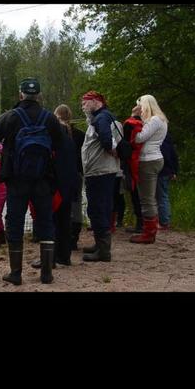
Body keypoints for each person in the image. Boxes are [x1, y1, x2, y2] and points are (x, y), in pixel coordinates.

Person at [0, 77, 66, 285]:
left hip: (16, 180)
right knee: (46, 222)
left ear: (20, 94)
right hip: (43, 179)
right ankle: (47, 274)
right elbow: (61, 143)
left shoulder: (13, 116)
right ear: (38, 95)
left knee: (15, 223)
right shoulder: (49, 118)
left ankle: (16, 273)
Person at [32, 103, 77, 269]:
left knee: (50, 221)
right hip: (68, 183)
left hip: (55, 185)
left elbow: (50, 162)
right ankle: (64, 257)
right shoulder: (69, 137)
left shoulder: (54, 139)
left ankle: (49, 259)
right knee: (64, 221)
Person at [80, 90, 121, 262]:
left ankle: (103, 251)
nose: (83, 107)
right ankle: (99, 244)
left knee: (98, 208)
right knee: (98, 208)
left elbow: (106, 138)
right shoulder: (103, 117)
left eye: (85, 103)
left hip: (100, 172)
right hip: (101, 171)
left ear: (96, 101)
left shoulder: (101, 118)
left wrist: (112, 149)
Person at [129, 95, 169, 244]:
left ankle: (149, 233)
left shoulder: (155, 120)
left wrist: (134, 119)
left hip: (148, 159)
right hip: (154, 158)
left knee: (146, 198)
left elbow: (139, 138)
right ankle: (150, 230)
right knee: (149, 197)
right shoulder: (160, 120)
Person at [54, 103, 86, 250]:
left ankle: (61, 237)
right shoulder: (80, 134)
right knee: (76, 204)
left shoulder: (58, 134)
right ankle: (74, 237)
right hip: (78, 172)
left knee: (59, 205)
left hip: (61, 174)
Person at [123, 105, 145, 233]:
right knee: (141, 192)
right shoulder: (144, 124)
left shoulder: (129, 123)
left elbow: (125, 143)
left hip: (131, 160)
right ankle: (142, 222)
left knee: (134, 191)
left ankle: (140, 224)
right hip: (140, 158)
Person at [156, 131, 179, 230]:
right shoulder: (169, 141)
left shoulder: (161, 143)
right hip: (168, 171)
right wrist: (174, 171)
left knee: (161, 197)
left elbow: (166, 157)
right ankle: (165, 220)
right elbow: (174, 157)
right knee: (164, 196)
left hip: (162, 172)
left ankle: (164, 222)